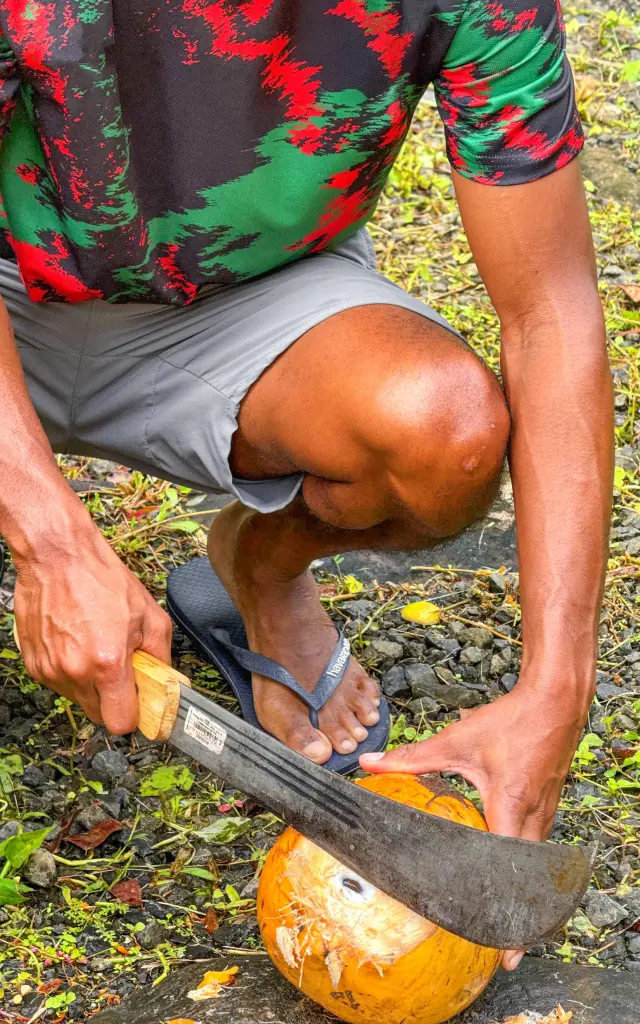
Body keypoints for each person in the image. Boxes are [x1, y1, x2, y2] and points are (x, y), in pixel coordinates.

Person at [0, 0, 611, 968]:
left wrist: (556, 684)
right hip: (11, 288)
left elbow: (550, 313)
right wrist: (47, 533)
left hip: (243, 301)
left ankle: (261, 568)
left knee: (442, 433)